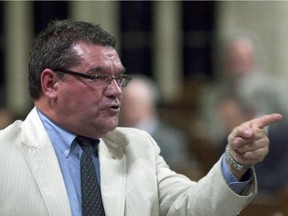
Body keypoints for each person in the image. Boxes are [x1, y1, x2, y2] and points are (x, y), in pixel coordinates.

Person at [0, 19, 282, 216]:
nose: (116, 92)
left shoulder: (138, 147)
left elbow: (193, 208)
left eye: (118, 77)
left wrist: (236, 161)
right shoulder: (5, 154)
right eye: (98, 77)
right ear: (50, 84)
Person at [120, 75, 196, 176]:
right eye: (123, 103)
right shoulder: (115, 134)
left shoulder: (171, 140)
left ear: (147, 104)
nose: (123, 108)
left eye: (130, 103)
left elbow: (179, 176)